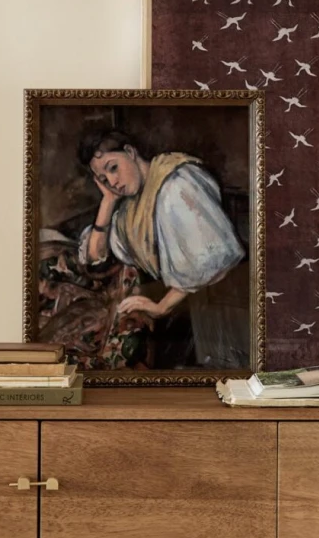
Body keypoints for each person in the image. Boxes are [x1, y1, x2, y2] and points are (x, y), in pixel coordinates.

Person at [75, 127, 247, 365]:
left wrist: (161, 307)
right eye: (104, 180)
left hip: (223, 299)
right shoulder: (129, 209)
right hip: (187, 308)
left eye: (113, 167)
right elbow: (94, 256)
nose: (113, 182)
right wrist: (108, 202)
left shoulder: (176, 184)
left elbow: (211, 261)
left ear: (130, 152)